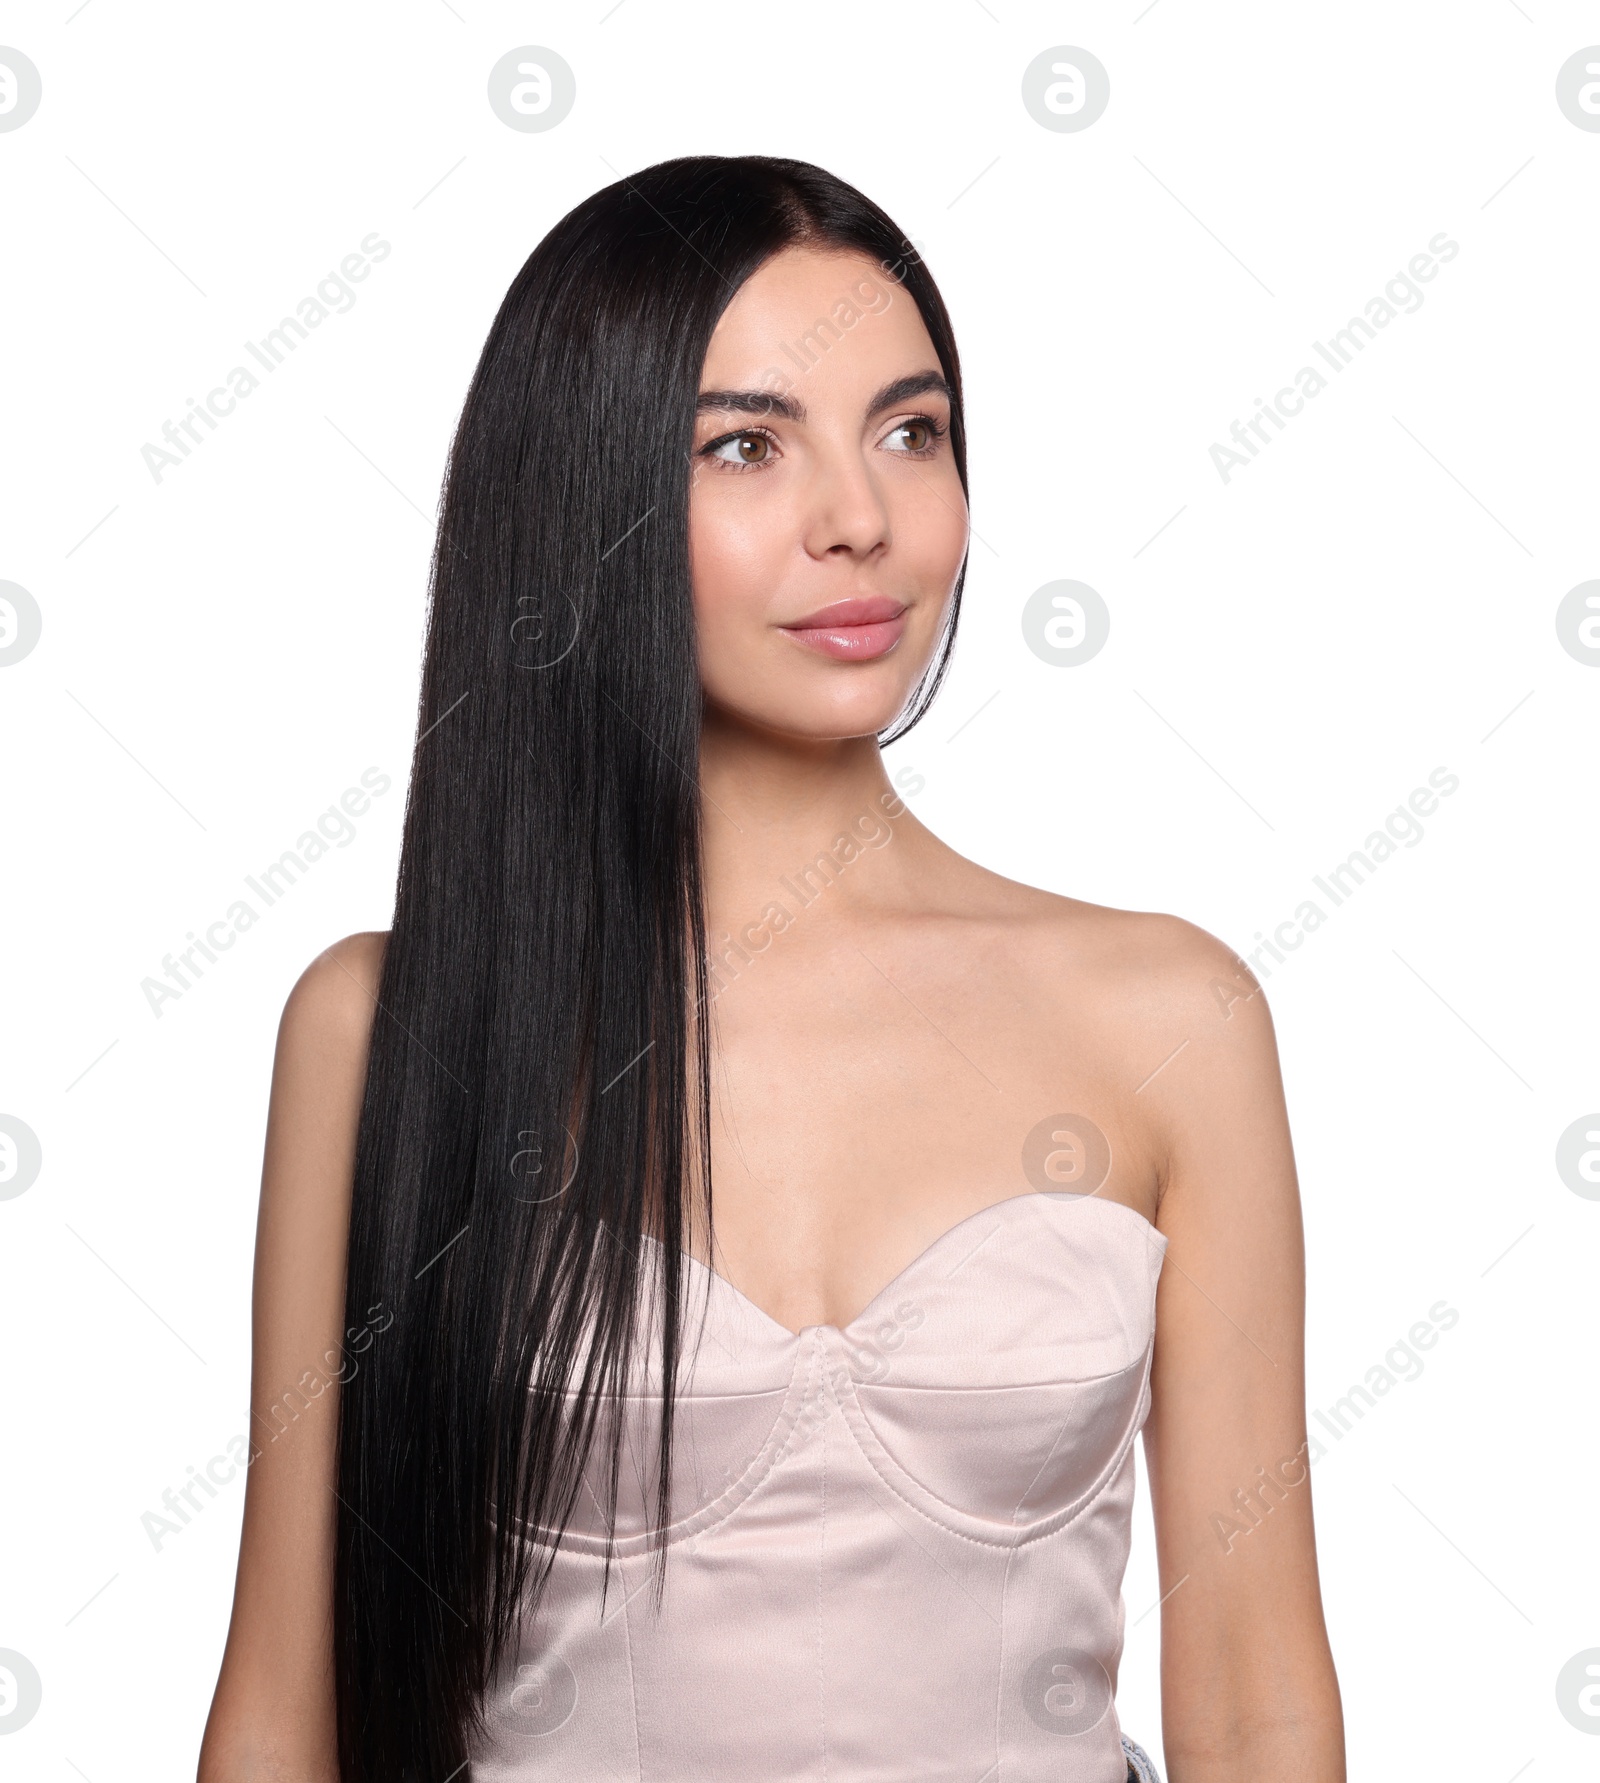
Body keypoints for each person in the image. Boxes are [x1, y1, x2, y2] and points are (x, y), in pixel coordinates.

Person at [197, 155, 1345, 1782]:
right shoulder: (389, 1032)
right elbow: (281, 1714)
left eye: (911, 430)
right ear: (579, 501)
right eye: (747, 444)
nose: (861, 519)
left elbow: (1256, 1694)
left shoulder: (1169, 1018)